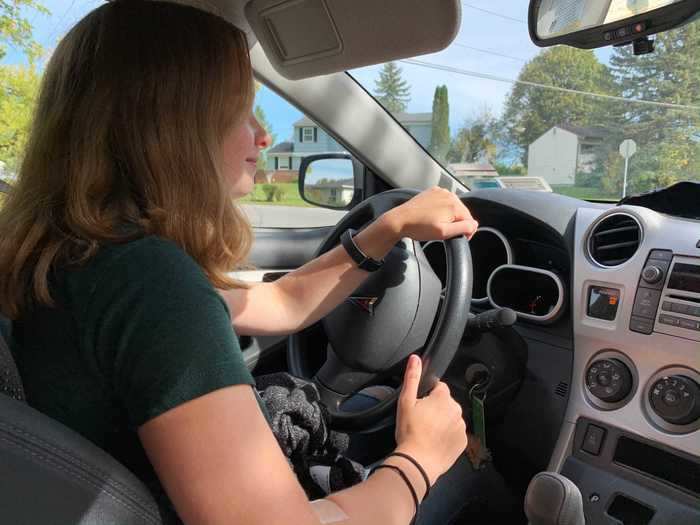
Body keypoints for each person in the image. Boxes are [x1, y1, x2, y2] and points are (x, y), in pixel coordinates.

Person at [0, 2, 482, 524]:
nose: (264, 135)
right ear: (178, 124)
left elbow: (281, 301)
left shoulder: (71, 258)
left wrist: (386, 230)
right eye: (242, 109)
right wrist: (418, 460)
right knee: (466, 474)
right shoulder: (148, 282)